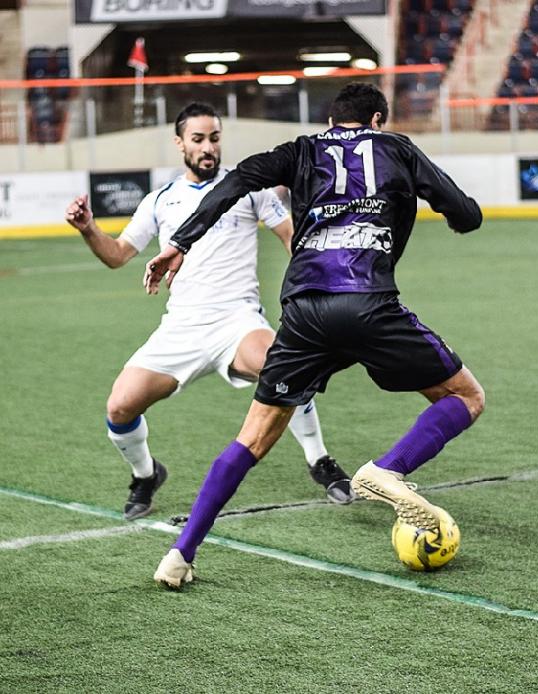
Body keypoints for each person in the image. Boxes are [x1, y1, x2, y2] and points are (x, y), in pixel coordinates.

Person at [145, 83, 485, 588]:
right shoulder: (396, 148)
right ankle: (388, 470)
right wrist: (452, 216)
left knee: (254, 436)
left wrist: (180, 243)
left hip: (304, 311)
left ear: (331, 120)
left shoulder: (301, 149)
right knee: (466, 396)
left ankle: (180, 554)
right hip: (369, 302)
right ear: (376, 120)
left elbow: (236, 181)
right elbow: (467, 214)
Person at [64, 101, 355, 521]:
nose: (207, 148)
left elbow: (292, 239)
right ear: (179, 143)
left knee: (287, 368)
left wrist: (319, 282)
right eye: (198, 139)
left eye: (214, 138)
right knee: (119, 408)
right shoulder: (160, 201)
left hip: (237, 322)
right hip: (181, 329)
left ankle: (320, 461)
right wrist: (89, 228)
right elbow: (117, 255)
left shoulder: (249, 189)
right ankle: (146, 475)